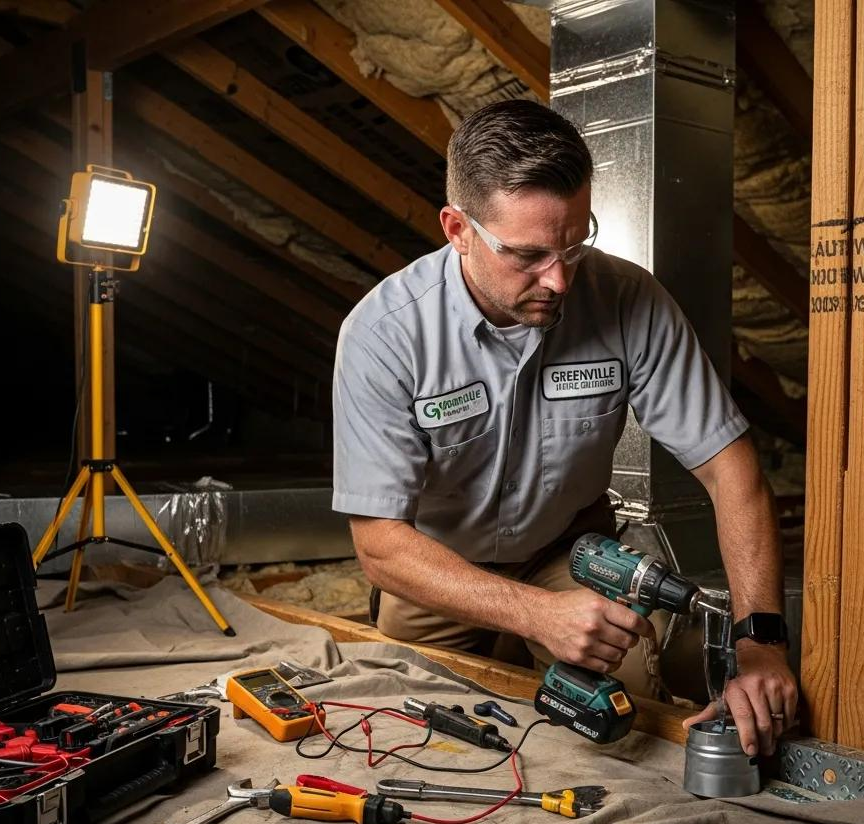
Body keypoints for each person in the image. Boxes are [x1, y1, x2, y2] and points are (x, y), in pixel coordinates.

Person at [331, 99, 797, 758]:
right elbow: (379, 545)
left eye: (575, 245)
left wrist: (760, 644)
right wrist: (531, 615)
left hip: (569, 555)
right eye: (527, 256)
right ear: (457, 228)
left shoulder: (628, 300)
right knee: (408, 732)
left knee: (627, 734)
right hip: (437, 569)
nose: (558, 279)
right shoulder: (384, 334)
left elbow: (733, 470)